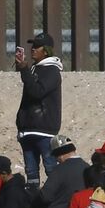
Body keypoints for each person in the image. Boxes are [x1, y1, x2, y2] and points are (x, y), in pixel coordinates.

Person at [15, 31, 63, 186]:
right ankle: (33, 204)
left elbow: (37, 92)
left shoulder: (52, 70)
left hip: (44, 130)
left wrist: (24, 69)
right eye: (32, 46)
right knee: (31, 174)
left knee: (51, 169)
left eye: (37, 46)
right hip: (28, 130)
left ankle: (56, 203)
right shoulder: (35, 69)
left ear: (46, 50)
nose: (33, 49)